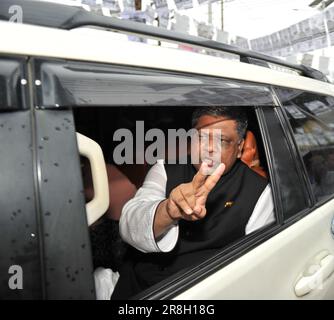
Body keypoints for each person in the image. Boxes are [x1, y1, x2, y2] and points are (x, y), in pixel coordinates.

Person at [109, 106, 275, 299]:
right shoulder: (165, 169)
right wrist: (169, 211)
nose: (210, 148)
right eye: (202, 137)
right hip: (141, 288)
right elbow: (130, 225)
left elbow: (256, 265)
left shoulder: (261, 193)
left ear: (239, 148)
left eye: (222, 140)